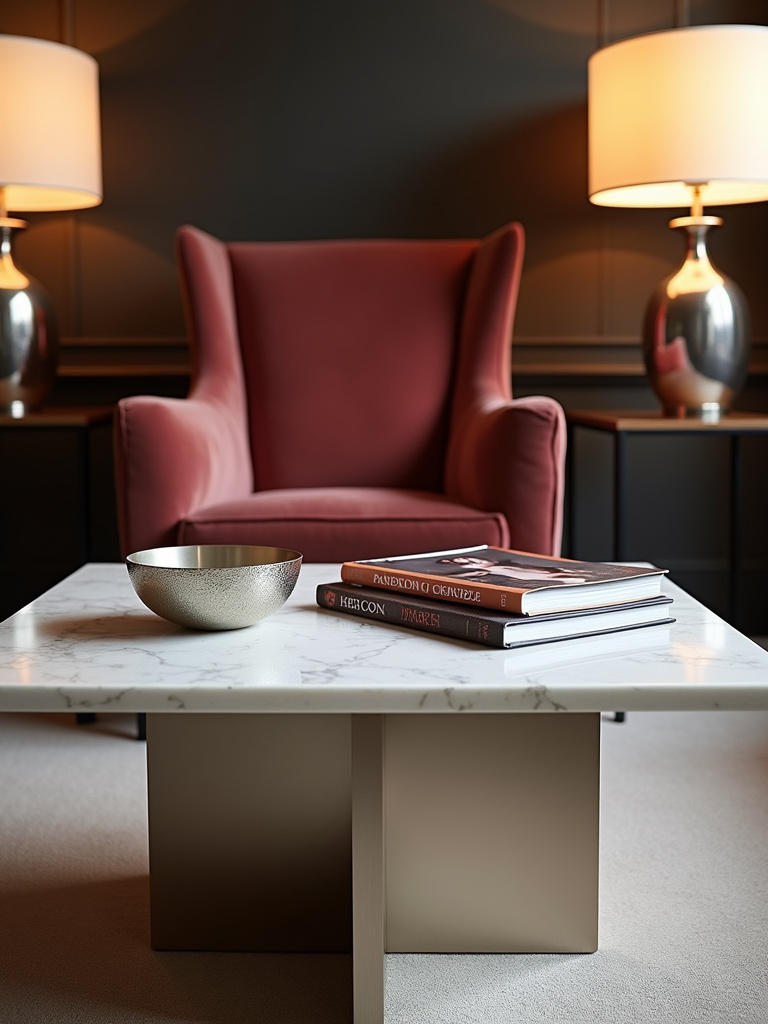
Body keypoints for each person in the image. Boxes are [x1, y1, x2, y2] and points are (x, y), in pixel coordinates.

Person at [436, 555, 588, 585]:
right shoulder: (477, 571)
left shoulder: (499, 561)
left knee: (549, 572)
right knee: (545, 577)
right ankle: (569, 581)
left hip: (517, 569)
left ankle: (574, 579)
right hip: (516, 574)